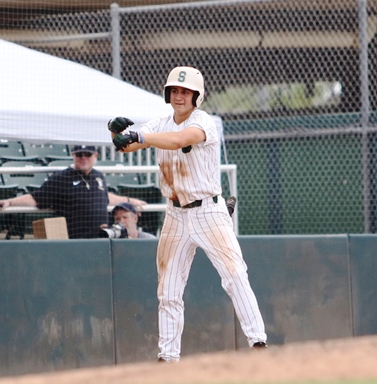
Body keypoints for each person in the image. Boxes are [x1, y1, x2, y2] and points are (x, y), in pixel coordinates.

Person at [108, 66, 268, 361]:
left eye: (186, 92)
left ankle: (258, 343)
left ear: (197, 96)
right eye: (175, 91)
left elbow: (179, 139)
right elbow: (127, 148)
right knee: (168, 290)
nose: (180, 96)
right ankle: (168, 359)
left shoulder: (202, 121)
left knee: (234, 276)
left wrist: (141, 134)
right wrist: (117, 133)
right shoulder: (161, 121)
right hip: (175, 216)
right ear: (168, 94)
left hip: (208, 210)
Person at [0, 145, 146, 239]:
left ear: (95, 156)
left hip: (101, 239)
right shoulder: (61, 178)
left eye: (87, 154)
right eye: (79, 154)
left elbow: (105, 197)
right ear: (73, 155)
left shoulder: (98, 177)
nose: (83, 158)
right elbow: (36, 198)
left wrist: (129, 200)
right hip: (76, 240)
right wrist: (10, 202)